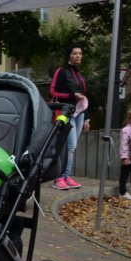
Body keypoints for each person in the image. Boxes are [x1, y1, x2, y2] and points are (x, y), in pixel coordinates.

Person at [50, 44, 90, 191]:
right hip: (66, 113)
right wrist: (71, 95)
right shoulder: (61, 71)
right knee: (69, 145)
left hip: (79, 114)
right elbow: (53, 92)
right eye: (75, 53)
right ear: (69, 56)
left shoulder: (80, 76)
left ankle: (67, 177)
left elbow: (84, 98)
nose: (78, 56)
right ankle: (58, 178)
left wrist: (87, 118)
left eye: (80, 53)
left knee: (72, 148)